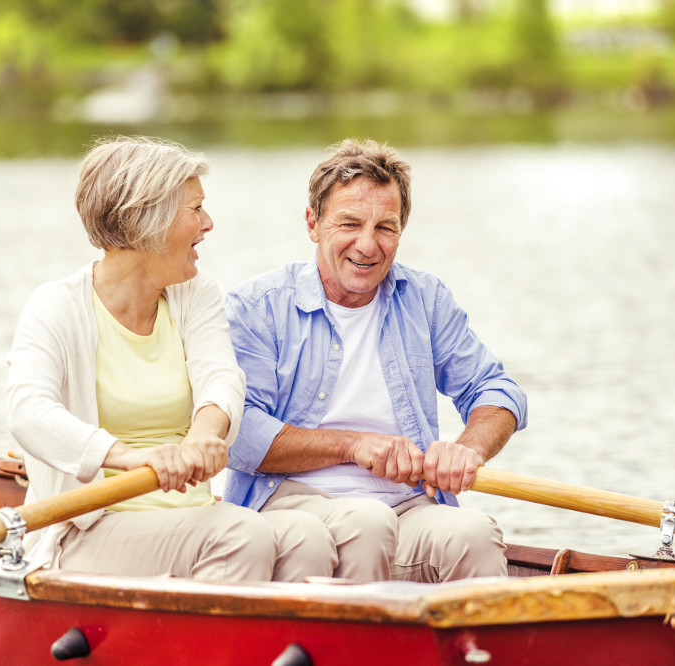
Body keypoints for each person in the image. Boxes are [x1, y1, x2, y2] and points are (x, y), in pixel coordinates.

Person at [6, 136, 336, 582]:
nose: (209, 223)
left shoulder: (194, 293)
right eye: (195, 209)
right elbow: (29, 412)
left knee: (307, 535)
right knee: (240, 534)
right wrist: (127, 458)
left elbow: (220, 377)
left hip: (192, 515)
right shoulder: (56, 306)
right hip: (87, 529)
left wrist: (204, 436)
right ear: (148, 221)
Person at [224, 138, 527, 583]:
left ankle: (474, 652)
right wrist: (353, 445)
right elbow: (239, 435)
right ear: (313, 223)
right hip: (290, 502)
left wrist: (468, 449)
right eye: (349, 223)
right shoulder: (257, 306)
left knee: (475, 532)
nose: (367, 245)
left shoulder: (426, 298)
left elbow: (497, 392)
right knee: (367, 523)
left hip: (408, 503)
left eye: (385, 228)